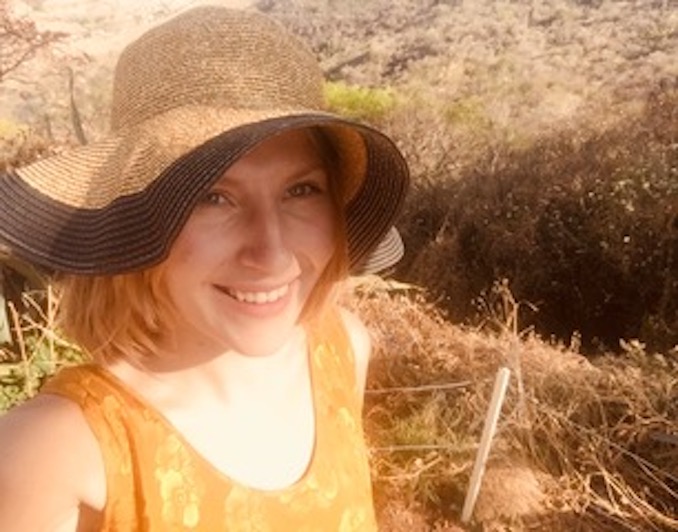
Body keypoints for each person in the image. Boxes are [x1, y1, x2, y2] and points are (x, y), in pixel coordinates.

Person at [0, 5, 409, 531]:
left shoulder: (342, 351)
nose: (272, 253)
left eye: (301, 190)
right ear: (137, 219)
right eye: (213, 197)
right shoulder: (58, 452)